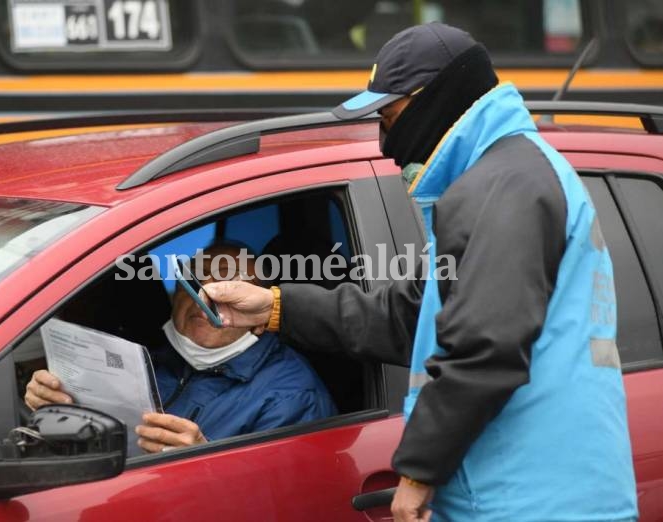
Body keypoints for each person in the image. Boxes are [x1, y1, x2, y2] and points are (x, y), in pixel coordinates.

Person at [202, 23, 638, 522]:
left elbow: (485, 348)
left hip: (531, 498)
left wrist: (418, 473)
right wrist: (275, 306)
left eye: (389, 117)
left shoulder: (505, 185)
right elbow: (412, 317)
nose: (387, 143)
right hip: (523, 491)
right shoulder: (500, 178)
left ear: (437, 99)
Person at [24, 243, 337, 453]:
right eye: (195, 282)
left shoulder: (292, 397)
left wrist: (203, 460)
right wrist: (53, 410)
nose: (206, 298)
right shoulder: (141, 360)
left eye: (231, 287)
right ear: (175, 296)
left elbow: (283, 502)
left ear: (258, 317)